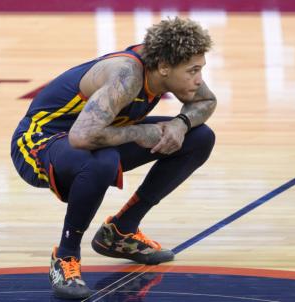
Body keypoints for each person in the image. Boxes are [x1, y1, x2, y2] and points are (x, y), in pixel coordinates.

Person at [11, 17, 216, 299]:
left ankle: (120, 232)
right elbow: (81, 137)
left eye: (200, 69)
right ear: (165, 67)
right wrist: (141, 132)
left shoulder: (164, 62)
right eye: (193, 71)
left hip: (95, 136)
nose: (199, 79)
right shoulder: (127, 75)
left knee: (198, 137)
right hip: (39, 142)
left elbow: (206, 101)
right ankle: (66, 257)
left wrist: (180, 123)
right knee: (102, 161)